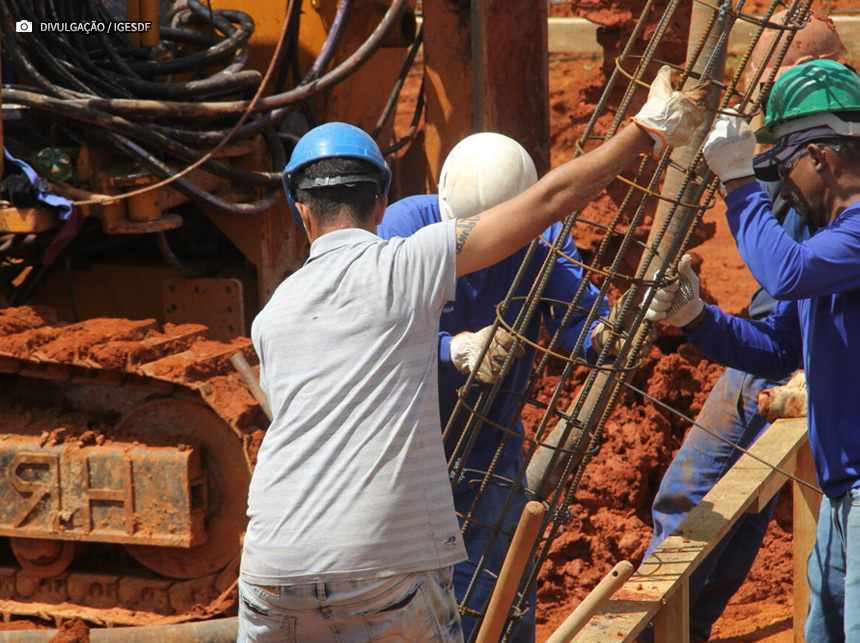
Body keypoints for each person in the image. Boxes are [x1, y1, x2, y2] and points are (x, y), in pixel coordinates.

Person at [237, 65, 708, 643]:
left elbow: (589, 336)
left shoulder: (275, 311)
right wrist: (451, 349)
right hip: (402, 477)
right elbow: (362, 330)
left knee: (497, 605)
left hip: (443, 472)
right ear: (385, 204)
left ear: (300, 207)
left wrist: (631, 323)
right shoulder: (409, 242)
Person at [638, 13, 848, 642]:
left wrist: (732, 172)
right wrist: (695, 318)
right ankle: (686, 631)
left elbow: (786, 275)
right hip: (791, 351)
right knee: (729, 512)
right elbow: (781, 334)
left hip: (828, 387)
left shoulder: (841, 204)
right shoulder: (808, 168)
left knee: (694, 502)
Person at [377, 132, 611, 642]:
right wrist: (451, 349)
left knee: (496, 603)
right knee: (397, 602)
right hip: (402, 448)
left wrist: (606, 333)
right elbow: (375, 327)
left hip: (488, 446)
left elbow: (579, 322)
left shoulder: (541, 239)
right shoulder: (403, 228)